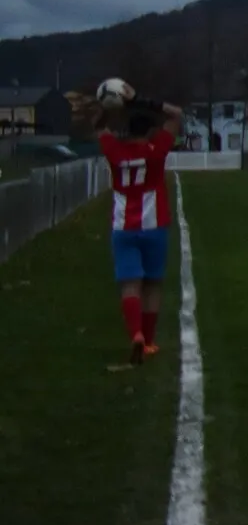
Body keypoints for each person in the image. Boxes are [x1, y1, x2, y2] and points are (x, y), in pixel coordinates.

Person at [97, 88, 181, 365]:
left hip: (124, 227)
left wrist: (111, 106)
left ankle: (135, 335)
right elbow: (176, 115)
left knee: (130, 284)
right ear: (149, 132)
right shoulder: (156, 151)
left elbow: (99, 127)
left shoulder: (114, 151)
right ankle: (150, 340)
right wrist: (142, 100)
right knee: (153, 284)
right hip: (154, 224)